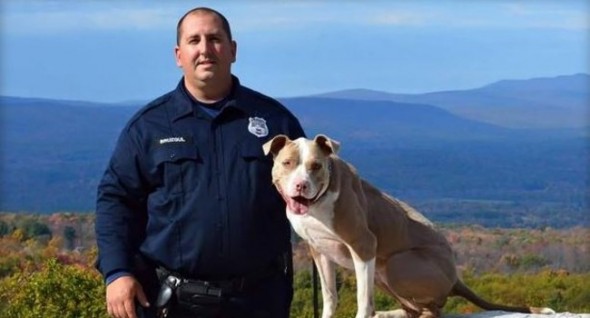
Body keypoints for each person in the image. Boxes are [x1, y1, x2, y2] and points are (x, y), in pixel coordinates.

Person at [95, 7, 305, 318]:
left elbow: (314, 193)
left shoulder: (275, 122)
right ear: (179, 55)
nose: (205, 49)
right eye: (194, 40)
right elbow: (116, 200)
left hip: (259, 300)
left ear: (232, 50)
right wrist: (117, 272)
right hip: (173, 302)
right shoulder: (149, 126)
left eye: (215, 39)